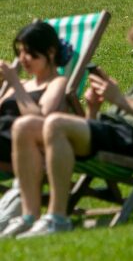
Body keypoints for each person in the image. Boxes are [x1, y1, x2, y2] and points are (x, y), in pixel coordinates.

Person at [2, 13, 133, 238]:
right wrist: (93, 108)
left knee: (54, 122)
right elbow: (97, 128)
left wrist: (121, 100)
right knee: (23, 126)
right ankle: (28, 216)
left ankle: (57, 218)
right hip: (112, 135)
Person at [0, 21, 72, 232]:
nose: (23, 59)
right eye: (20, 52)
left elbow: (40, 119)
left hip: (20, 145)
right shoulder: (20, 84)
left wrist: (14, 84)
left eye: (30, 53)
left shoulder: (57, 82)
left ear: (50, 52)